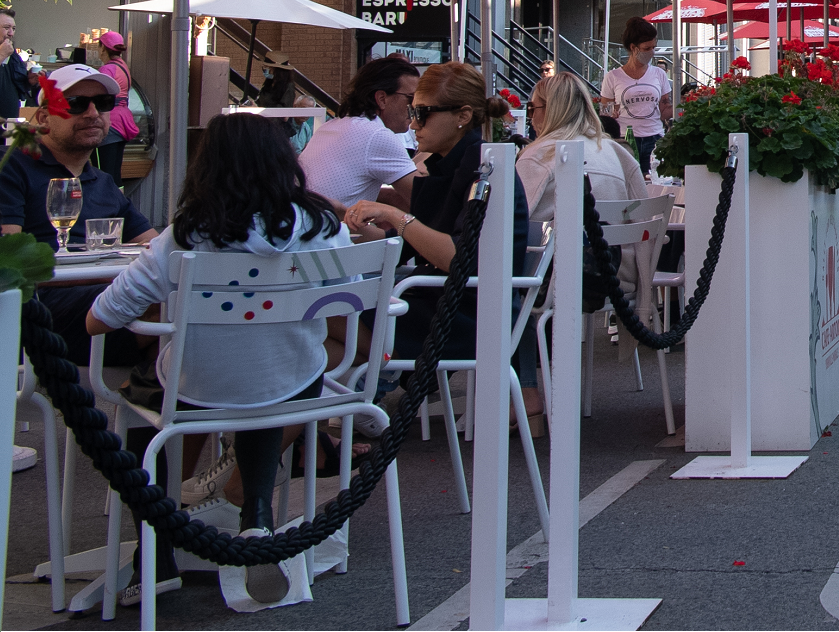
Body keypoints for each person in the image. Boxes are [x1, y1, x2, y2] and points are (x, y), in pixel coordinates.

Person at [87, 112, 353, 598]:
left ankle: (159, 547)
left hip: (196, 388)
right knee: (272, 382)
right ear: (285, 162)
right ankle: (256, 514)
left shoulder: (184, 235)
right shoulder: (322, 227)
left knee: (152, 391)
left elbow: (99, 319)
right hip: (292, 384)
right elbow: (348, 302)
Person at [342, 62, 533, 419]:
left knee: (323, 322)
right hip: (443, 299)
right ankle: (319, 430)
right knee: (316, 335)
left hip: (470, 313)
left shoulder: (485, 168)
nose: (413, 123)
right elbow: (405, 248)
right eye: (413, 111)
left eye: (422, 113)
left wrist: (396, 217)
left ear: (463, 115)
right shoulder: (453, 164)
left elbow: (461, 258)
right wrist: (345, 219)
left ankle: (317, 431)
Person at [0, 65, 159, 364]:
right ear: (44, 117)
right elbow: (10, 263)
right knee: (167, 304)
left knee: (187, 306)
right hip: (35, 311)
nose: (92, 113)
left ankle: (161, 398)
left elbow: (155, 248)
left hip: (100, 302)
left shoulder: (103, 183)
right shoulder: (12, 167)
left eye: (102, 104)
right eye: (76, 104)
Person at [518, 72, 652, 297]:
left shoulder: (540, 155)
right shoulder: (617, 152)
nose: (530, 117)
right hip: (620, 276)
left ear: (551, 110)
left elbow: (512, 225)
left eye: (532, 108)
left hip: (556, 279)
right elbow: (642, 215)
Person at [301, 57, 420, 210]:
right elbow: (425, 199)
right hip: (323, 230)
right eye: (411, 99)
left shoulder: (331, 126)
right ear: (382, 99)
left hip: (298, 225)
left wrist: (388, 198)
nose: (415, 107)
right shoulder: (376, 134)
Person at [599, 17, 673, 172]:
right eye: (647, 49)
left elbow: (664, 110)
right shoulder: (613, 77)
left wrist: (686, 104)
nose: (652, 53)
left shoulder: (659, 74)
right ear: (633, 47)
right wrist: (613, 111)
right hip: (625, 139)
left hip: (654, 138)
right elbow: (605, 114)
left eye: (654, 47)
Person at [94, 31, 139, 181]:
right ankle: (118, 202)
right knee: (115, 174)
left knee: (102, 173)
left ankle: (106, 203)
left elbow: (99, 97)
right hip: (123, 120)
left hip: (110, 121)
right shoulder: (123, 66)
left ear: (103, 48)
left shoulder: (107, 69)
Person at [0, 9, 35, 119]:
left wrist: (30, 80)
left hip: (9, 126)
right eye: (6, 28)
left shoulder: (13, 55)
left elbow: (18, 84)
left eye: (13, 29)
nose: (11, 33)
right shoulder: (5, 52)